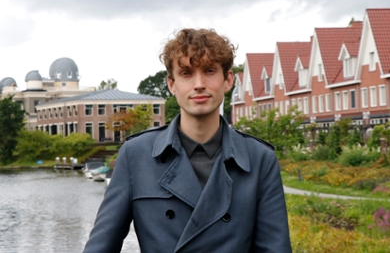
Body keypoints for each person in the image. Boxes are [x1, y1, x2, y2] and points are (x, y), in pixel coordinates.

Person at [83, 28, 292, 253]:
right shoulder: (136, 155)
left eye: (210, 70)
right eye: (186, 73)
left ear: (228, 80)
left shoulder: (260, 160)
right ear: (172, 84)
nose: (199, 83)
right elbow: (101, 246)